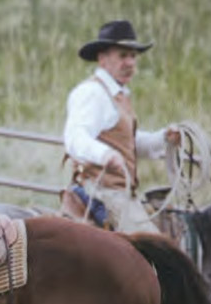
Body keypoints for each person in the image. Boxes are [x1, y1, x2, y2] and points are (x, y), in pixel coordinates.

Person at [61, 19, 179, 233]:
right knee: (153, 247)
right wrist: (106, 155)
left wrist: (163, 138)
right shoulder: (92, 93)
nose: (130, 63)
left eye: (133, 56)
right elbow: (75, 137)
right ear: (103, 59)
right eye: (122, 55)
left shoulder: (117, 94)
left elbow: (128, 143)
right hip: (102, 192)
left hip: (118, 193)